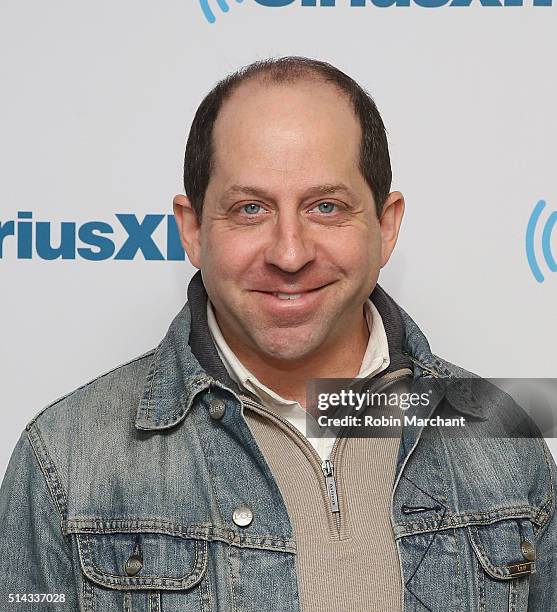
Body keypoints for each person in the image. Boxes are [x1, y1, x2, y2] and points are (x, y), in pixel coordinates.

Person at [0, 56, 555, 612]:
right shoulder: (66, 460)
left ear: (386, 227)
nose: (290, 254)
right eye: (249, 209)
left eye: (326, 207)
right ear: (191, 230)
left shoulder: (500, 433)